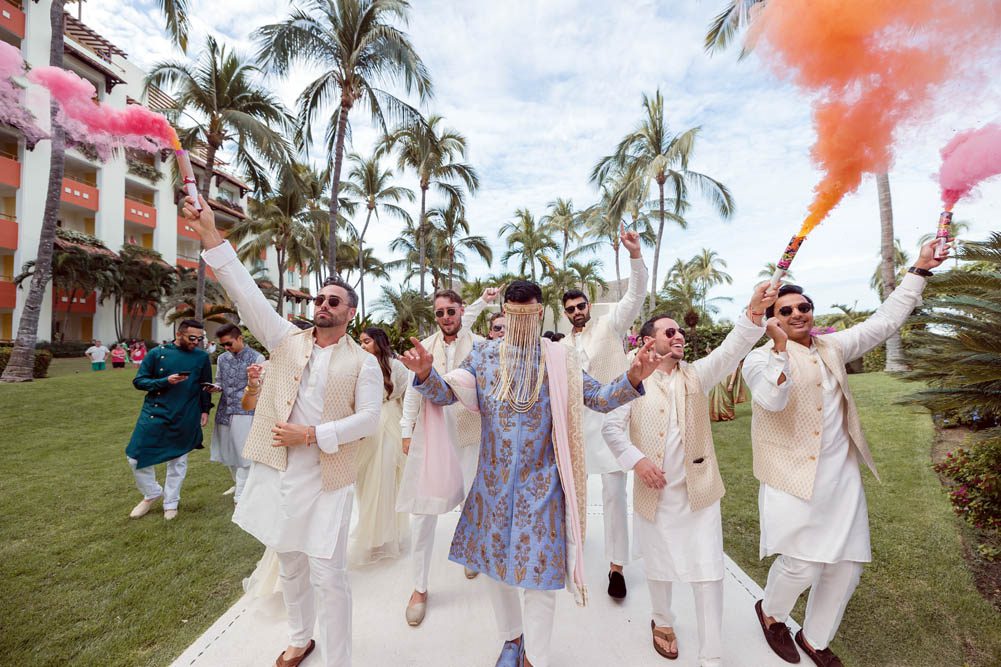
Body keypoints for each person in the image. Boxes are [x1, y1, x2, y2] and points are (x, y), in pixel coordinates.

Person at [399, 280, 663, 667]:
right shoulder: (484, 356)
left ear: (540, 313)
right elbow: (448, 395)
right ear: (504, 313)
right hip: (491, 487)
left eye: (529, 315)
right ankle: (511, 638)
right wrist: (426, 377)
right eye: (513, 315)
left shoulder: (563, 359)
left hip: (543, 488)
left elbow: (599, 398)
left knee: (539, 581)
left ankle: (534, 658)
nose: (520, 325)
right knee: (494, 572)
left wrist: (633, 379)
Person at [185, 194, 382, 667]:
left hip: (328, 478)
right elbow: (244, 294)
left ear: (350, 312)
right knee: (290, 562)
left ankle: (340, 659)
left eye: (333, 301)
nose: (322, 304)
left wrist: (313, 434)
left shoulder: (364, 363)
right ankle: (300, 637)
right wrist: (211, 234)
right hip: (279, 470)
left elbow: (370, 420)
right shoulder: (285, 339)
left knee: (328, 574)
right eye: (319, 298)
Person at [741, 239, 950, 667]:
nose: (798, 314)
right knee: (801, 564)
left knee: (846, 567)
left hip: (841, 477)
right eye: (786, 311)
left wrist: (920, 270)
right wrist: (780, 350)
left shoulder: (834, 346)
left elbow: (884, 322)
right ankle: (771, 612)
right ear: (771, 320)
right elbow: (771, 400)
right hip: (789, 477)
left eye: (804, 307)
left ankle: (816, 638)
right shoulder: (759, 360)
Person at [601, 282, 777, 665]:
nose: (678, 334)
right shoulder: (630, 380)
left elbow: (734, 347)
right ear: (648, 341)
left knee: (709, 571)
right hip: (655, 494)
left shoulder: (698, 374)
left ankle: (711, 655)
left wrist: (753, 311)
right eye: (670, 331)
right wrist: (638, 461)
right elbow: (611, 429)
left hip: (700, 492)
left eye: (679, 330)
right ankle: (661, 621)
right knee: (659, 564)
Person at [397, 286, 496, 626]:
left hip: (472, 436)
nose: (445, 318)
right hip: (432, 435)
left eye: (450, 311)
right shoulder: (425, 346)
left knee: (474, 500)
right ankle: (419, 587)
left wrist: (483, 302)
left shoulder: (481, 346)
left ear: (460, 312)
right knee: (423, 511)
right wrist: (406, 432)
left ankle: (472, 552)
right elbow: (413, 393)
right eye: (439, 313)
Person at [562, 225, 647, 598]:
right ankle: (571, 555)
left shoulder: (611, 324)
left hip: (612, 421)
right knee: (573, 495)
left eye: (581, 306)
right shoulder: (562, 344)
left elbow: (636, 294)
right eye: (571, 310)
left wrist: (635, 256)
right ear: (565, 315)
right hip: (577, 427)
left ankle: (616, 567)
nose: (578, 312)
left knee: (615, 497)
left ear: (588, 306)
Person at [125, 320, 213, 521]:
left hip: (186, 412)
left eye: (200, 338)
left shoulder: (201, 357)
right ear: (179, 334)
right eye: (192, 338)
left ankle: (171, 502)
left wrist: (205, 409)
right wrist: (165, 381)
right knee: (135, 457)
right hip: (155, 411)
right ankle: (152, 493)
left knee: (178, 461)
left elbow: (204, 385)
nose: (196, 342)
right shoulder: (157, 353)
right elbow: (139, 381)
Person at [350, 327, 411, 566]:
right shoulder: (360, 365)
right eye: (361, 342)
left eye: (366, 341)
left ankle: (388, 536)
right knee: (366, 482)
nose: (363, 346)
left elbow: (408, 397)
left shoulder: (396, 367)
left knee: (386, 480)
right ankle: (372, 535)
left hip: (390, 424)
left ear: (379, 342)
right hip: (367, 426)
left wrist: (409, 430)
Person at [209, 323, 264, 504]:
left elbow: (261, 387)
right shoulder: (223, 359)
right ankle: (238, 484)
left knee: (244, 454)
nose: (226, 348)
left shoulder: (257, 357)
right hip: (225, 410)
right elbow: (220, 381)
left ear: (240, 338)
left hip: (245, 412)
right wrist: (215, 388)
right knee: (227, 453)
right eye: (223, 345)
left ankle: (241, 495)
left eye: (229, 343)